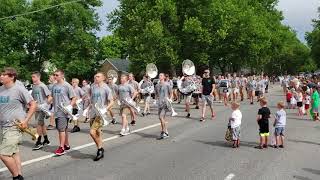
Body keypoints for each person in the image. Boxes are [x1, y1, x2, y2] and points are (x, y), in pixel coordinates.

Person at [0, 67, 37, 180]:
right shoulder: (1, 89)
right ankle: (19, 174)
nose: (1, 76)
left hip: (14, 127)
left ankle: (17, 177)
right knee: (14, 152)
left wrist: (26, 120)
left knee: (4, 154)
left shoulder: (19, 89)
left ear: (12, 77)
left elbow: (33, 104)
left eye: (4, 75)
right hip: (3, 126)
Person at [88, 72, 114, 161]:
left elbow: (111, 102)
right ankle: (100, 148)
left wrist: (105, 109)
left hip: (101, 113)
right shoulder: (93, 87)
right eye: (95, 76)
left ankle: (100, 149)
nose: (96, 78)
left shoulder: (106, 88)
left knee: (92, 132)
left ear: (103, 78)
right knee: (97, 133)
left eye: (98, 76)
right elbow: (91, 100)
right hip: (93, 113)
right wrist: (87, 109)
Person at [51, 69, 76, 156]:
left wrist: (70, 106)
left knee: (61, 129)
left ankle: (61, 147)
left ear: (62, 76)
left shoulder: (67, 86)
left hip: (64, 111)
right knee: (64, 129)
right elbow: (52, 98)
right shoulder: (54, 86)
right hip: (57, 111)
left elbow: (74, 98)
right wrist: (47, 105)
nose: (55, 76)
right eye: (54, 75)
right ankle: (66, 145)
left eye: (57, 75)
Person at [31, 71, 52, 150]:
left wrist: (45, 104)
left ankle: (39, 142)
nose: (32, 78)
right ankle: (46, 140)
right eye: (32, 77)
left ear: (38, 77)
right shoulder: (34, 86)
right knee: (42, 124)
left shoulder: (42, 86)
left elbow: (50, 97)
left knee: (38, 124)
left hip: (43, 108)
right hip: (37, 108)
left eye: (34, 77)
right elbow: (33, 97)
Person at [155, 73, 173, 139]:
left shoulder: (167, 84)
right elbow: (156, 94)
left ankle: (163, 132)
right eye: (159, 75)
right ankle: (166, 132)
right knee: (161, 118)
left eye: (161, 75)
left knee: (161, 117)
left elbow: (171, 93)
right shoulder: (156, 85)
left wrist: (170, 99)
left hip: (165, 103)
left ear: (164, 77)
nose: (160, 76)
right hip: (160, 104)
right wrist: (156, 100)